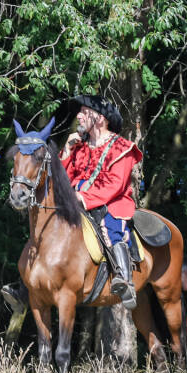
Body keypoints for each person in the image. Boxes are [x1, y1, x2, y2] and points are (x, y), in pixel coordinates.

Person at [60, 95, 142, 310]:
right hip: (75, 201)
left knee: (112, 227)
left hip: (111, 202)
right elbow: (63, 180)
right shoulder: (78, 147)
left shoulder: (122, 148)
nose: (79, 115)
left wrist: (83, 198)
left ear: (100, 118)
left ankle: (125, 280)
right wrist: (67, 152)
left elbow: (115, 185)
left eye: (85, 111)